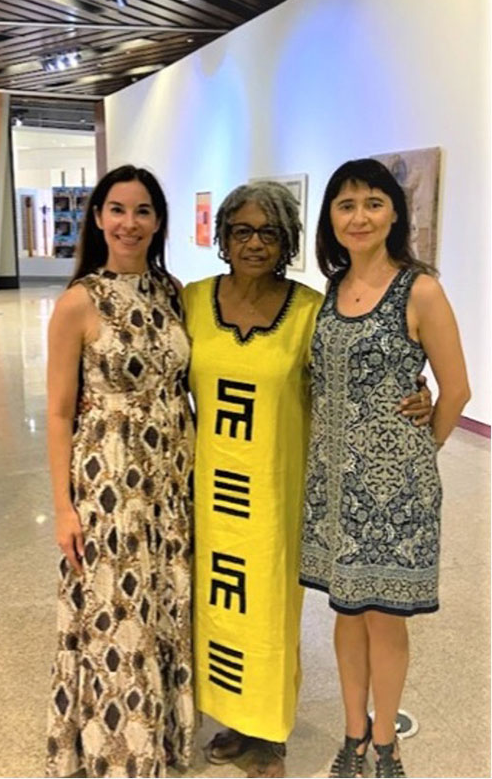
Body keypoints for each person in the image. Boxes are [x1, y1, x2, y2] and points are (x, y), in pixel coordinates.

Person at [182, 181, 432, 777]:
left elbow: (354, 375)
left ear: (288, 240)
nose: (254, 243)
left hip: (277, 490)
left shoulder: (308, 311)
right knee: (218, 605)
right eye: (241, 230)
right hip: (210, 491)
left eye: (269, 232)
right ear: (222, 236)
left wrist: (417, 396)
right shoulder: (192, 302)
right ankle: (230, 719)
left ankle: (269, 732)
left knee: (269, 611)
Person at [299, 159, 470, 778]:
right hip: (334, 487)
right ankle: (352, 736)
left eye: (374, 202)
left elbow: (456, 389)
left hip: (397, 493)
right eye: (346, 205)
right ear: (331, 219)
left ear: (395, 212)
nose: (360, 216)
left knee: (386, 620)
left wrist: (421, 452)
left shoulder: (420, 288)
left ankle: (386, 743)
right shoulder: (331, 290)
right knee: (345, 613)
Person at [45, 165, 195, 778]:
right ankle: (118, 754)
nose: (129, 223)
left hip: (169, 480)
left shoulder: (173, 292)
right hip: (108, 481)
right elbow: (57, 413)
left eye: (142, 211)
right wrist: (62, 507)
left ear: (158, 222)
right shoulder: (79, 301)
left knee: (162, 603)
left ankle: (161, 735)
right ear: (98, 218)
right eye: (116, 209)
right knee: (115, 611)